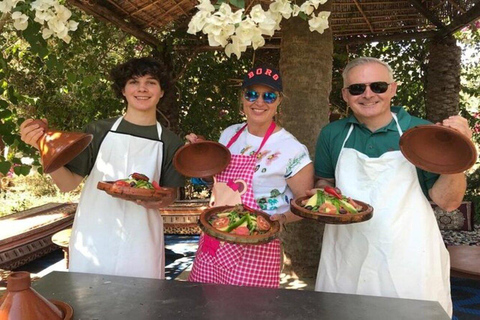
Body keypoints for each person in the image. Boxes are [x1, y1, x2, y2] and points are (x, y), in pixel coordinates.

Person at [313, 57, 471, 317]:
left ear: (393, 88)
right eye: (357, 88)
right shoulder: (333, 134)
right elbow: (325, 182)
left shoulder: (419, 130)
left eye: (378, 86)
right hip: (347, 252)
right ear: (345, 94)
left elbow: (448, 201)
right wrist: (321, 195)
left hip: (409, 254)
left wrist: (458, 150)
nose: (368, 95)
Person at [19, 57, 184, 279]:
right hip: (94, 234)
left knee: (141, 306)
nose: (142, 88)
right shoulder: (98, 130)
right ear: (123, 90)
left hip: (141, 238)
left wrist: (159, 199)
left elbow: (170, 195)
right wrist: (43, 147)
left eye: (151, 82)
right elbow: (67, 184)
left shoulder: (171, 142)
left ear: (161, 91)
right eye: (134, 82)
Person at [186, 65, 314, 288]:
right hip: (214, 239)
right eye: (252, 94)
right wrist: (200, 155)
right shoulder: (229, 134)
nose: (259, 102)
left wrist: (282, 219)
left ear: (279, 101)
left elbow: (305, 204)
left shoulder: (291, 149)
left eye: (269, 96)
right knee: (203, 305)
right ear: (242, 98)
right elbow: (217, 181)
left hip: (256, 247)